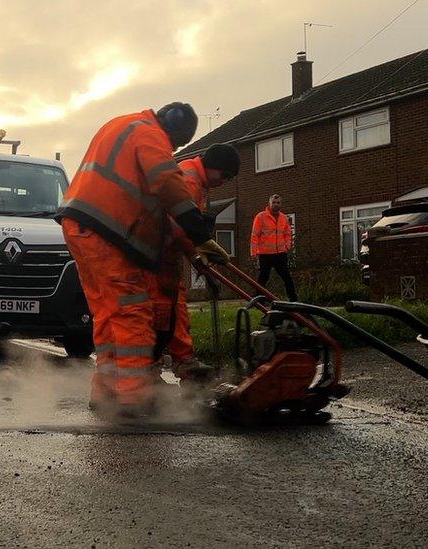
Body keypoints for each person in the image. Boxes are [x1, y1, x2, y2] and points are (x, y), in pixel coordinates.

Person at [56, 103, 230, 417]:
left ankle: (107, 391)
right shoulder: (150, 134)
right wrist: (200, 235)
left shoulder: (123, 123)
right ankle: (135, 398)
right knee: (132, 312)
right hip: (107, 230)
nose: (174, 149)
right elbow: (166, 182)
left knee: (108, 313)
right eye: (176, 143)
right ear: (174, 133)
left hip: (80, 226)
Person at [155, 144, 240, 384]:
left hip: (167, 254)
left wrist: (197, 261)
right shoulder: (190, 179)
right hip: (156, 254)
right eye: (224, 175)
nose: (224, 181)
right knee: (162, 312)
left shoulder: (196, 180)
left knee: (176, 306)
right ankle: (151, 369)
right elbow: (180, 226)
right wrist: (200, 250)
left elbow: (185, 230)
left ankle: (184, 361)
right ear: (212, 166)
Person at [250, 194, 297, 301]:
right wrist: (253, 253)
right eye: (274, 203)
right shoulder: (261, 217)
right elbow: (254, 235)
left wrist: (287, 246)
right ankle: (259, 299)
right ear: (269, 204)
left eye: (278, 203)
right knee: (263, 277)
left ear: (281, 204)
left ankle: (293, 299)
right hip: (265, 254)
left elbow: (288, 234)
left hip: (280, 253)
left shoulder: (284, 218)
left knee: (287, 277)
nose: (276, 205)